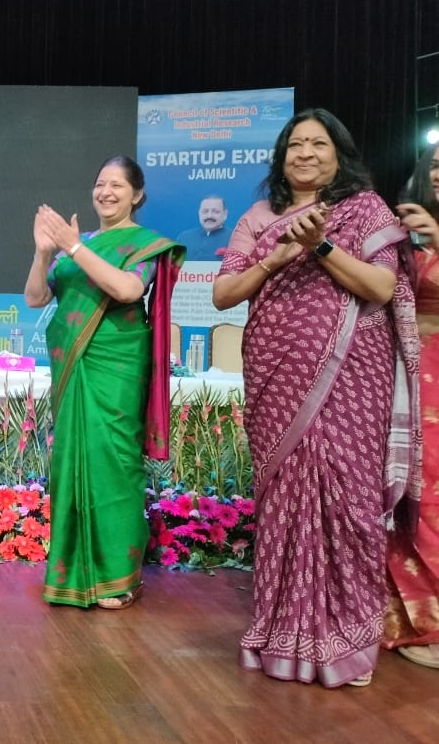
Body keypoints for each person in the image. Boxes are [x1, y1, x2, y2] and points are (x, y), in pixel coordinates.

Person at [212, 107, 420, 688]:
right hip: (277, 377)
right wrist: (277, 257)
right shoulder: (258, 217)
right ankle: (281, 633)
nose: (305, 153)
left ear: (339, 154)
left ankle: (348, 639)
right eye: (294, 144)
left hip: (353, 376)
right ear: (281, 157)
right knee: (284, 503)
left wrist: (323, 246)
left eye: (318, 144)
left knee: (349, 504)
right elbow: (226, 293)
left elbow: (381, 287)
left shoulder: (366, 211)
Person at [24, 155, 183, 609]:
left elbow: (129, 291)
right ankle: (71, 574)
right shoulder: (83, 242)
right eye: (100, 184)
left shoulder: (144, 244)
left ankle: (118, 577)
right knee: (71, 464)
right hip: (72, 370)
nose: (106, 192)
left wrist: (73, 248)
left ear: (137, 195)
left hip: (116, 368)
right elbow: (36, 297)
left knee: (113, 465)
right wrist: (43, 251)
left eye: (117, 185)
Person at [387, 142, 439, 669]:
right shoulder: (406, 237)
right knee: (414, 491)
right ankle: (419, 623)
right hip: (412, 378)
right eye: (436, 167)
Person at [176, 195, 229, 260]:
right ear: (199, 213)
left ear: (225, 214)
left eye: (215, 212)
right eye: (205, 211)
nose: (209, 216)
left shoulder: (235, 238)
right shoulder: (184, 237)